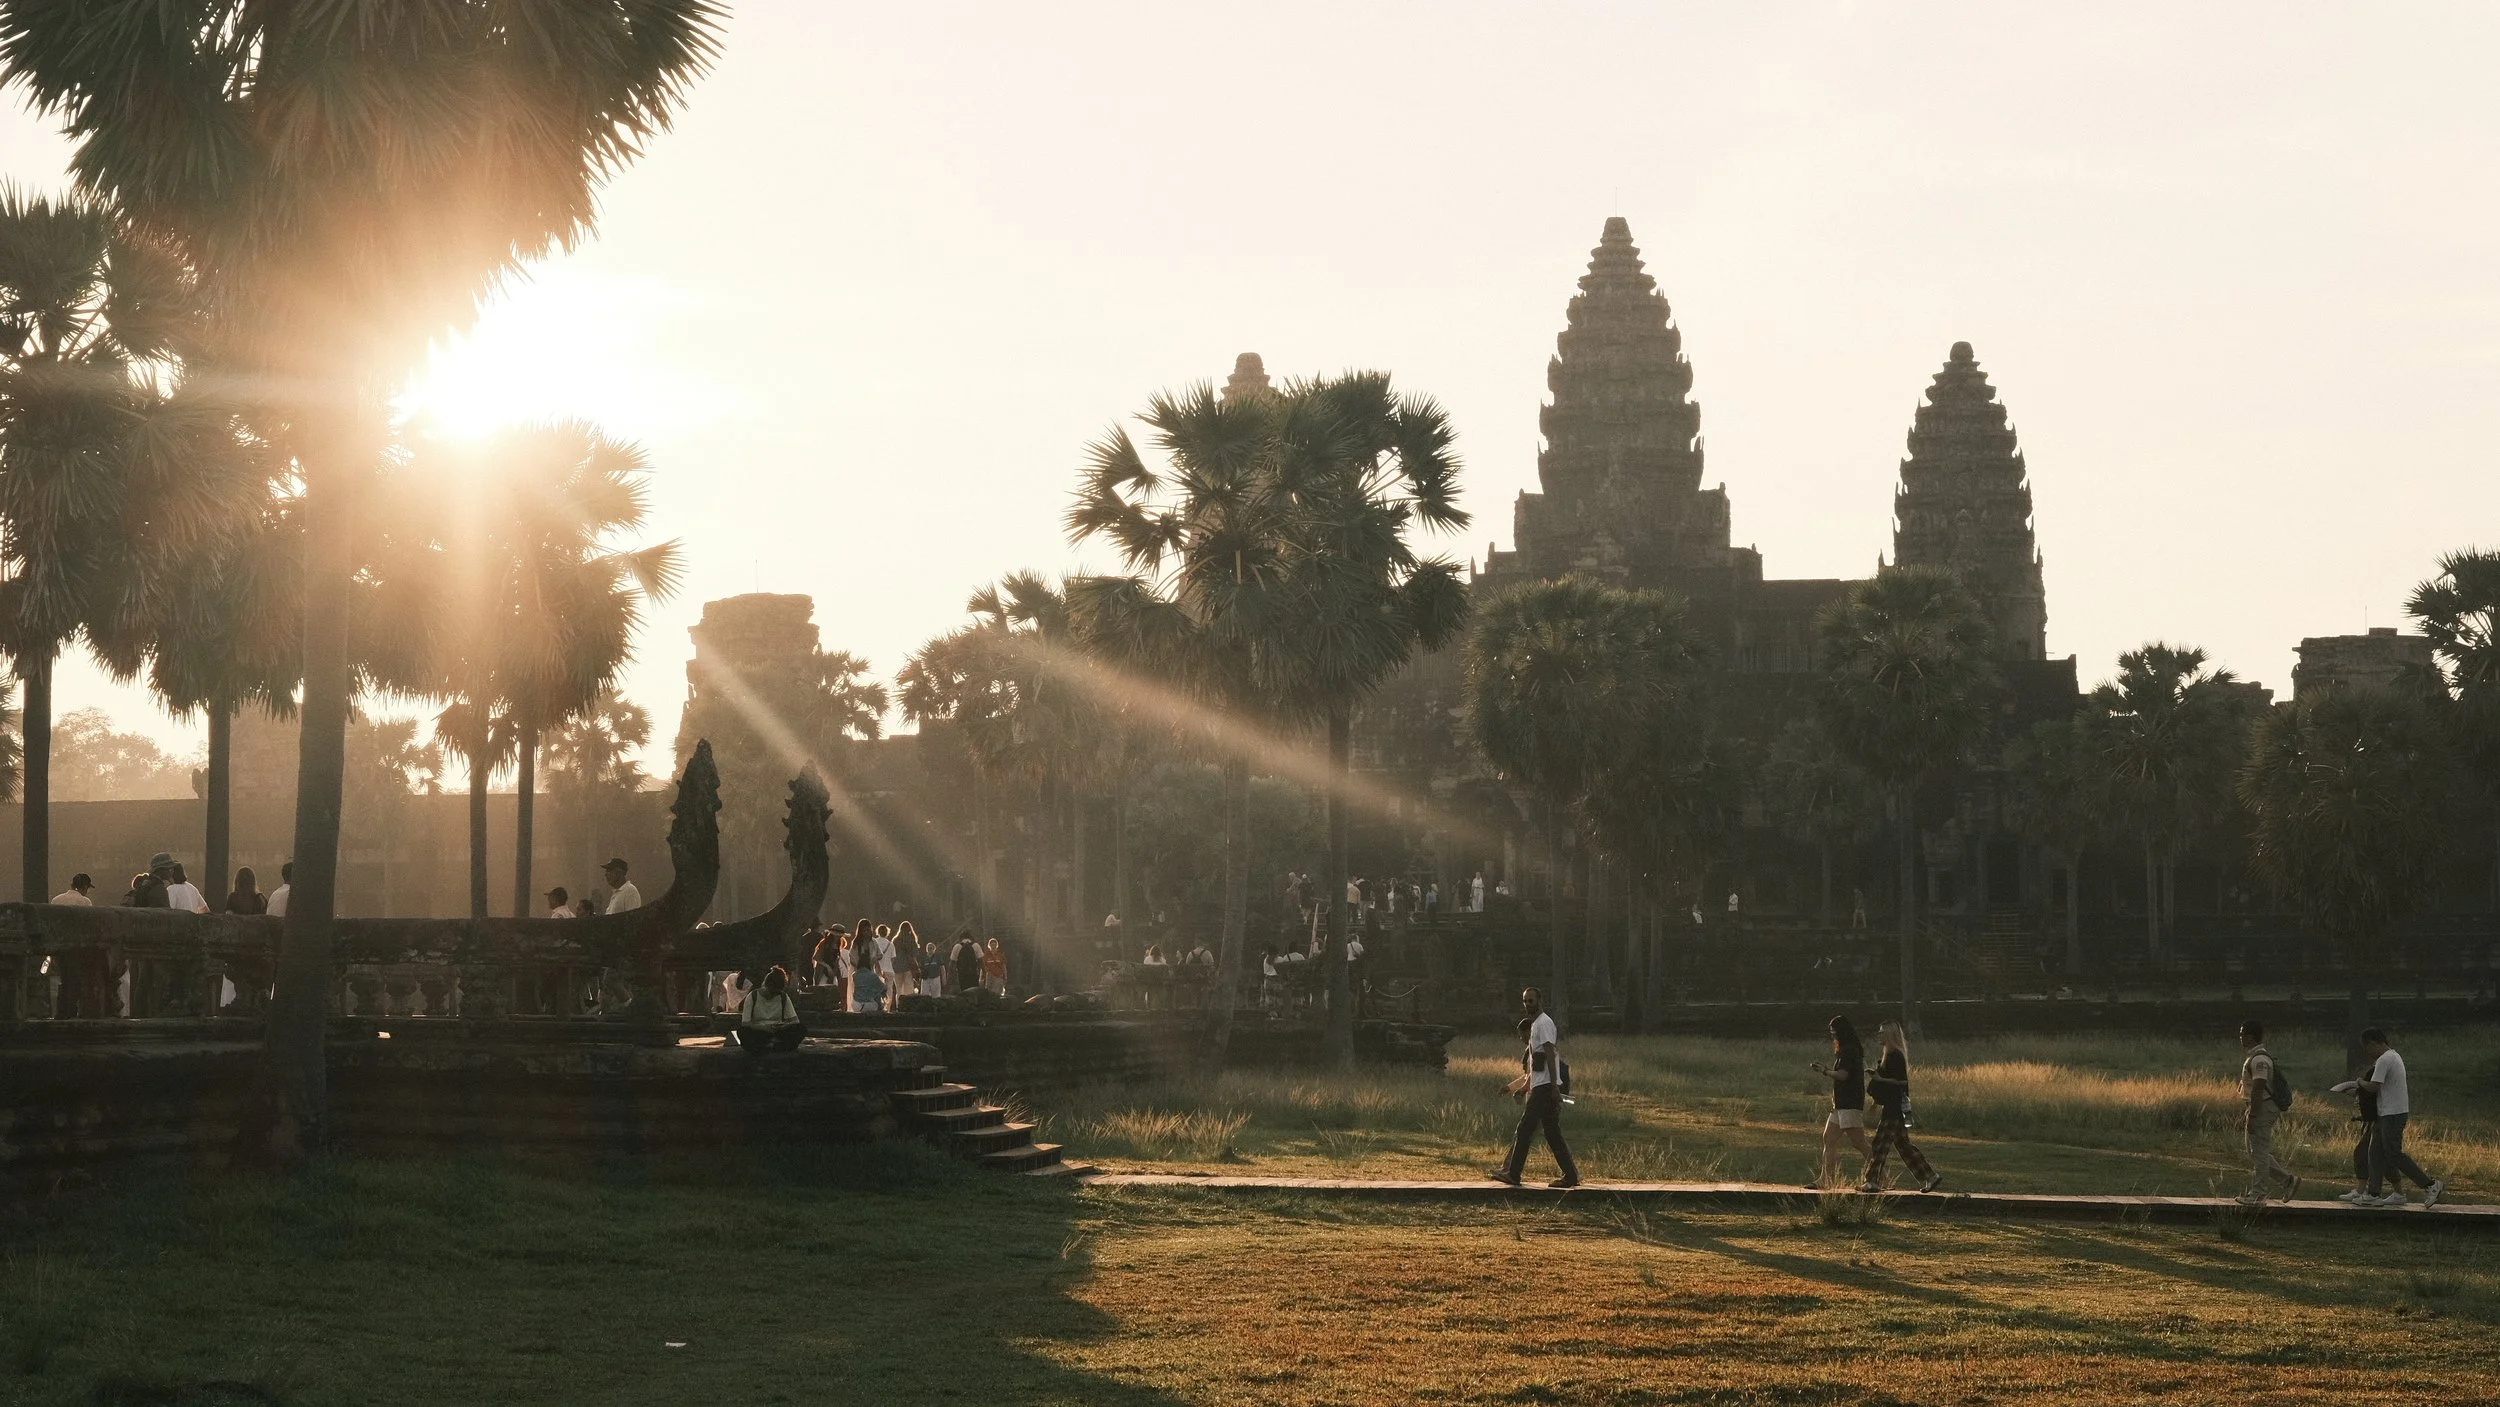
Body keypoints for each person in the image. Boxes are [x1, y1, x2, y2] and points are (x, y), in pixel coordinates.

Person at [1488, 987, 1579, 1188]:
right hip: (1541, 1084)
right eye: (1525, 1001)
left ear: (1540, 1000)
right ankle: (1571, 1176)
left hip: (1545, 1087)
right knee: (1552, 1133)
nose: (1528, 1004)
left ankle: (1513, 1173)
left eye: (1531, 1000)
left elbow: (1550, 1053)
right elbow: (1534, 1068)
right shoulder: (1536, 1025)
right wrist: (1521, 1087)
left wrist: (1555, 1085)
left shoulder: (1544, 1023)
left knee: (1525, 1128)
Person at [2356, 1028, 2444, 1208]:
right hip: (2387, 1112)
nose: (2368, 1054)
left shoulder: (2384, 1059)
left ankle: (2430, 1185)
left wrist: (2358, 1082)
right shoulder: (2394, 1056)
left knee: (2394, 1154)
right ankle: (2373, 1193)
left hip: (2392, 1113)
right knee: (2375, 1152)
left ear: (2373, 1043)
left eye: (2367, 1049)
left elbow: (2373, 1087)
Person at [1860, 1020, 1941, 1194]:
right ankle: (1930, 1176)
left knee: (1880, 1144)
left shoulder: (1895, 1055)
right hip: (1892, 1106)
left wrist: (1880, 1080)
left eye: (1882, 1032)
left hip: (1895, 1108)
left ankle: (1872, 1181)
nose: (1879, 1035)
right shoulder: (1888, 1055)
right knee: (1904, 1147)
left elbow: (1902, 1081)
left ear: (1889, 1035)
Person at [2235, 1019, 2300, 1205]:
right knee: (2254, 1150)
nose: (2240, 1038)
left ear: (2249, 1036)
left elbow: (2258, 1087)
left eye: (2242, 1034)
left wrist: (2253, 1115)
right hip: (2258, 1107)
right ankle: (2287, 1181)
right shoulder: (2255, 1057)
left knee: (2259, 1152)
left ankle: (2258, 1194)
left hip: (2262, 1107)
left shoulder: (2260, 1060)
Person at [1808, 1015, 1872, 1189]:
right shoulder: (1846, 1050)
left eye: (1834, 1033)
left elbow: (1843, 1075)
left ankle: (1880, 1175)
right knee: (1828, 1138)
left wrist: (1824, 1071)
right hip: (1841, 1105)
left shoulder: (1849, 1051)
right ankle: (1825, 1179)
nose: (1833, 1036)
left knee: (1858, 1142)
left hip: (1849, 1104)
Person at [733, 966, 807, 1054]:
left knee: (801, 1029)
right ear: (766, 986)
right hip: (760, 1032)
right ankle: (772, 1046)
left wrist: (783, 1026)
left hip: (778, 1032)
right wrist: (763, 1028)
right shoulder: (753, 996)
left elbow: (795, 1021)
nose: (772, 996)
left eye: (776, 993)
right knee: (743, 1032)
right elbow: (745, 1023)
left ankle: (770, 1046)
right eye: (771, 992)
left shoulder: (783, 997)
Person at [849, 950, 886, 1014]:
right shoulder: (873, 976)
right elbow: (883, 988)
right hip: (869, 1005)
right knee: (878, 992)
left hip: (856, 1005)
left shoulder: (855, 975)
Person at [949, 928, 984, 996]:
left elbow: (952, 962)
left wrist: (950, 975)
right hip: (973, 973)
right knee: (974, 992)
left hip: (962, 974)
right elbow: (981, 961)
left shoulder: (957, 946)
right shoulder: (976, 945)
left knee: (964, 992)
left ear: (961, 937)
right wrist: (984, 973)